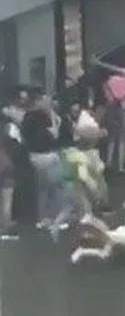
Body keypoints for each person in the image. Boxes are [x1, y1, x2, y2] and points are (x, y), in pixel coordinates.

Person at [20, 93, 61, 228]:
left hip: (34, 155)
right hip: (46, 155)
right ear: (38, 101)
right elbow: (55, 134)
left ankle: (44, 217)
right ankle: (50, 217)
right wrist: (51, 115)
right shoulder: (42, 116)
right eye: (45, 100)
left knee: (44, 188)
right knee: (52, 188)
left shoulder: (27, 116)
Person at [102, 73, 125, 173]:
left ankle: (109, 162)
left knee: (111, 138)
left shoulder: (107, 83)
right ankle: (120, 166)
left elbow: (108, 98)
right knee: (122, 139)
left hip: (111, 109)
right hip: (124, 109)